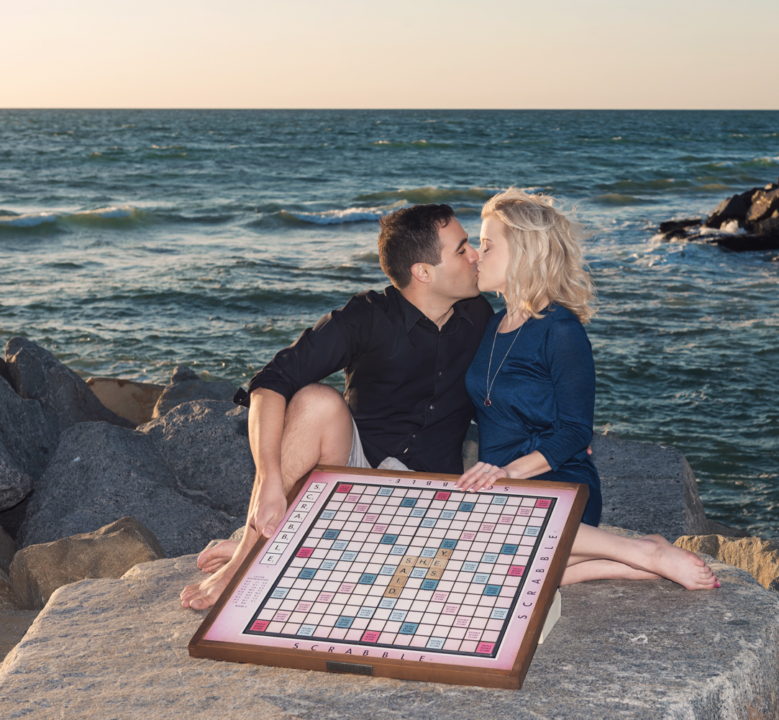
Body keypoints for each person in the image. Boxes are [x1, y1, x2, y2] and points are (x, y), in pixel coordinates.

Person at [181, 204, 494, 610]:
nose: (476, 256)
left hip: (432, 494)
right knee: (315, 401)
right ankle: (246, 558)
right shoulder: (365, 317)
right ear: (423, 272)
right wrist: (270, 480)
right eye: (463, 249)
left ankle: (266, 533)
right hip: (356, 478)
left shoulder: (480, 316)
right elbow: (269, 384)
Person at [454, 189, 718, 590]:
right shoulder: (491, 325)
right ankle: (632, 560)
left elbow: (577, 432)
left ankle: (643, 553)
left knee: (498, 557)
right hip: (505, 490)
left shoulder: (560, 329)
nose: (475, 255)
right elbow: (494, 402)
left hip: (555, 480)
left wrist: (509, 472)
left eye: (488, 246)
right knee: (496, 573)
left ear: (525, 253)